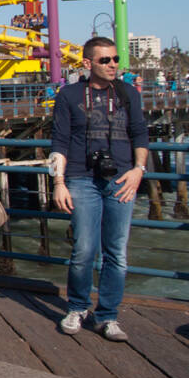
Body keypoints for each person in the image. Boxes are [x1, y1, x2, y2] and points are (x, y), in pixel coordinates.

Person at [51, 37, 149, 343]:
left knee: (116, 252)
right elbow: (59, 142)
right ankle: (77, 307)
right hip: (81, 178)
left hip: (122, 179)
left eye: (115, 59)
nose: (112, 65)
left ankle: (108, 315)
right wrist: (59, 182)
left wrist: (138, 171)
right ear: (87, 63)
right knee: (83, 249)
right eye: (105, 60)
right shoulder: (68, 95)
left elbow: (140, 133)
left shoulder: (128, 93)